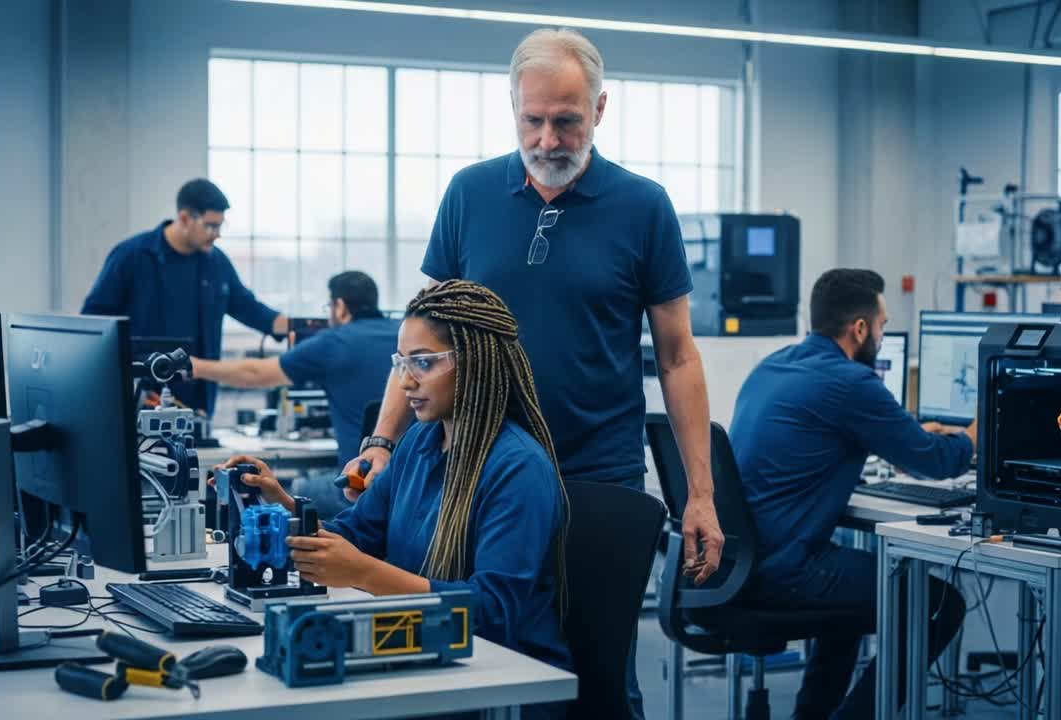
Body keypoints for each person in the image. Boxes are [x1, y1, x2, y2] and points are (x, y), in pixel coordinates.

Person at [347, 30, 724, 716]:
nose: (549, 139)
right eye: (534, 120)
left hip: (594, 474)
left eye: (568, 120)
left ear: (601, 110)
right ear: (513, 108)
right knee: (472, 651)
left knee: (592, 676)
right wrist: (382, 441)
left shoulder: (643, 207)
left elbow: (677, 356)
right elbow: (424, 332)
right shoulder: (469, 194)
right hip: (480, 473)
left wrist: (699, 493)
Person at [218, 281, 571, 719]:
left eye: (423, 363)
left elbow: (493, 613)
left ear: (476, 363)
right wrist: (282, 505)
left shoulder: (517, 469)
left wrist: (364, 573)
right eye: (402, 362)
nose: (405, 381)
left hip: (500, 685)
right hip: (431, 662)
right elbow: (354, 534)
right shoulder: (422, 441)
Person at [728, 268, 974, 719]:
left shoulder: (776, 363)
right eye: (881, 325)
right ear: (859, 328)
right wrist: (976, 434)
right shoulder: (851, 382)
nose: (881, 335)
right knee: (941, 604)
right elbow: (939, 463)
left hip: (742, 562)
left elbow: (893, 444)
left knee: (854, 603)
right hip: (787, 569)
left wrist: (912, 434)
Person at [81, 178, 287, 414]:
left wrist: (298, 327)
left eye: (221, 226)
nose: (217, 234)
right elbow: (95, 324)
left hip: (197, 403)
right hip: (142, 398)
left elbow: (249, 309)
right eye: (210, 226)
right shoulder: (133, 256)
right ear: (185, 218)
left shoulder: (216, 262)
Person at [190, 270, 398, 468]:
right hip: (414, 485)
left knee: (297, 488)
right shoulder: (404, 333)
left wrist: (196, 367)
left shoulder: (333, 342)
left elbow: (256, 373)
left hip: (360, 485)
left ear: (340, 306)